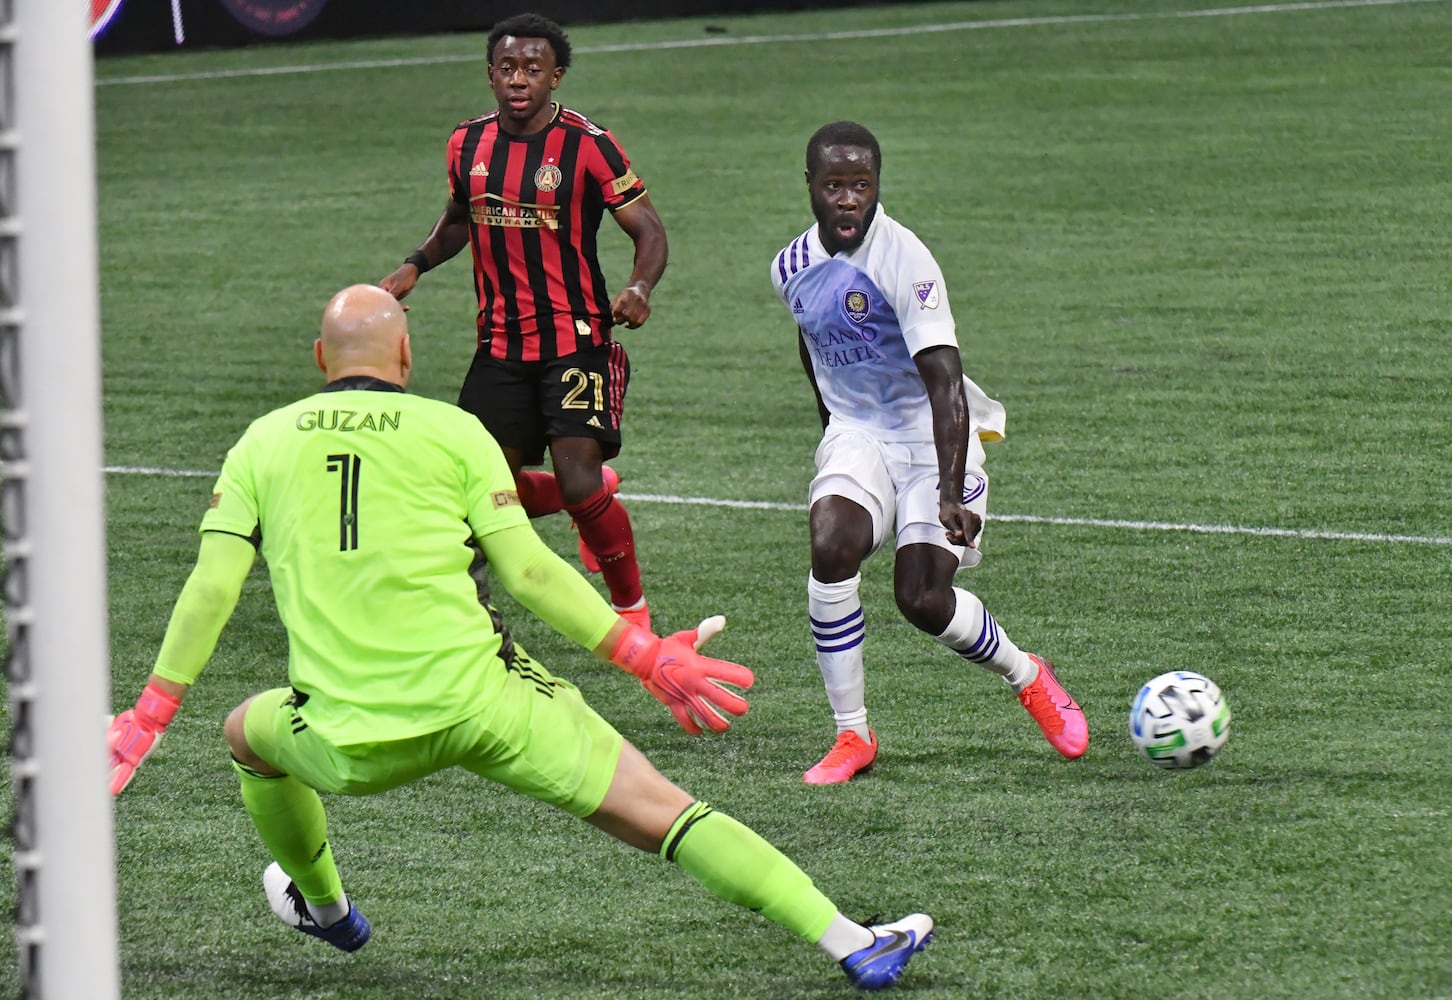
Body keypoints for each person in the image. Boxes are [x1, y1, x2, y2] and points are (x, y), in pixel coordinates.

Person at [106, 284, 933, 990]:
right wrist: (644, 655)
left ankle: (328, 912)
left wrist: (145, 719)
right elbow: (531, 574)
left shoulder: (261, 442)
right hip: (488, 705)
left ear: (321, 359)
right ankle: (851, 943)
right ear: (404, 362)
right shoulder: (452, 431)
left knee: (246, 735)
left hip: (346, 734)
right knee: (666, 815)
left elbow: (211, 588)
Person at [769, 122, 1089, 785]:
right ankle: (851, 735)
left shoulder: (905, 260)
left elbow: (945, 383)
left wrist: (949, 490)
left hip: (931, 434)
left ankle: (1027, 675)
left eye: (862, 185)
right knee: (831, 544)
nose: (849, 199)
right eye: (835, 186)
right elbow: (812, 336)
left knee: (921, 598)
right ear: (810, 188)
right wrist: (832, 427)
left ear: (877, 185)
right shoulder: (790, 267)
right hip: (860, 430)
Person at [379, 12, 663, 630]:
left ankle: (632, 614)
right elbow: (460, 217)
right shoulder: (467, 144)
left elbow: (649, 229)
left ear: (554, 77)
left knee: (581, 483)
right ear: (490, 76)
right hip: (501, 344)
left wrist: (639, 286)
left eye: (533, 69)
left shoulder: (589, 144)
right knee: (481, 488)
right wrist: (417, 263)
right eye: (507, 68)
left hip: (577, 338)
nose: (518, 79)